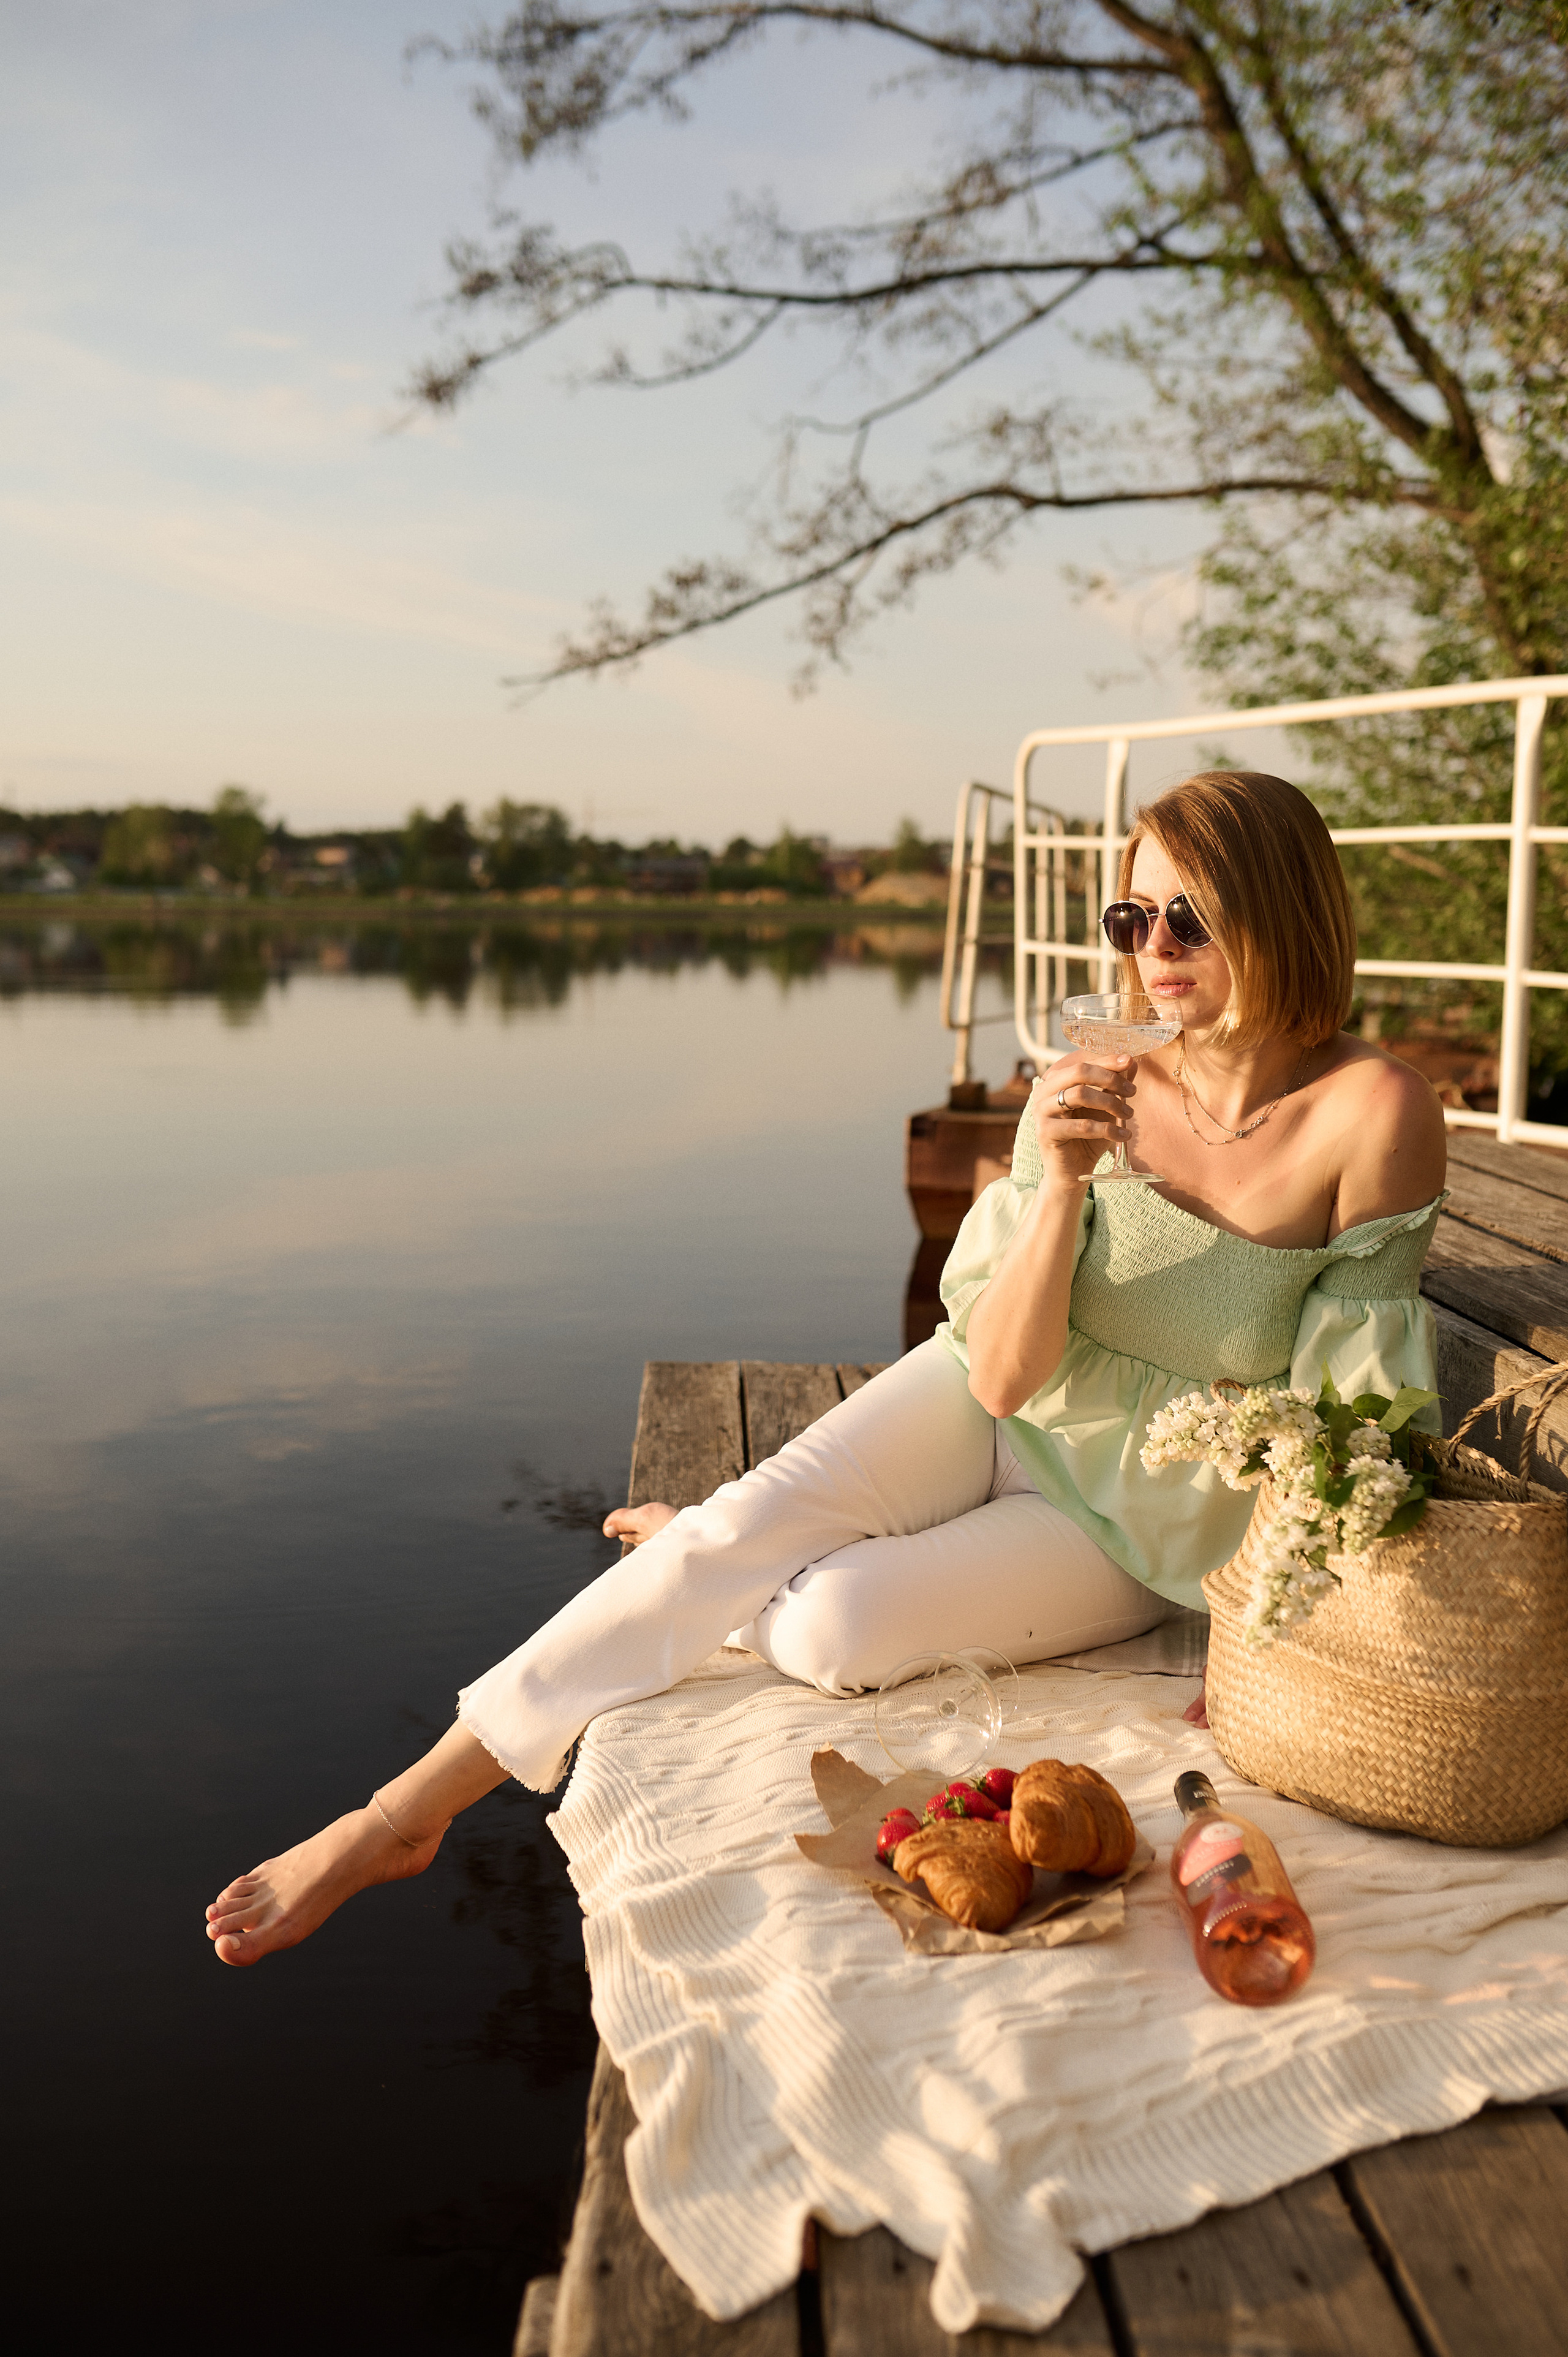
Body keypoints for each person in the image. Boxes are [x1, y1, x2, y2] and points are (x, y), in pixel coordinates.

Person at [206, 770, 1446, 1965]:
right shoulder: (1094, 1071)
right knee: (732, 1535)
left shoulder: (1371, 1112)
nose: (1151, 947)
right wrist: (1062, 1179)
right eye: (1131, 916)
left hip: (1145, 1513)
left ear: (1278, 909)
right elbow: (1002, 1376)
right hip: (993, 1397)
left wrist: (1263, 1643)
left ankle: (719, 1547)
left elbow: (1349, 1422)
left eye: (1189, 914)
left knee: (827, 1627)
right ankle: (403, 1814)